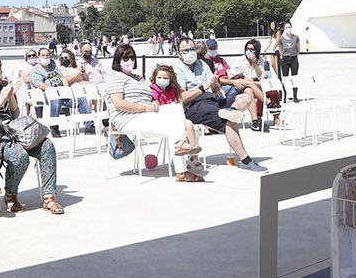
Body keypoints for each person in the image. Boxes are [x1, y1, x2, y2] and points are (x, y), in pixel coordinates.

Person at [0, 47, 62, 213]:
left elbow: (15, 113)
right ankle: (11, 194)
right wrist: (0, 98)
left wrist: (10, 95)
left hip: (13, 130)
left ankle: (49, 197)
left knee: (47, 146)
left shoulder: (2, 84)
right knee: (19, 156)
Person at [105, 44, 205, 181]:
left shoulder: (138, 78)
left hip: (147, 114)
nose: (129, 61)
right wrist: (145, 108)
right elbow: (119, 103)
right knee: (174, 127)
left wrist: (154, 103)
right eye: (125, 58)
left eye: (132, 57)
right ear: (118, 60)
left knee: (175, 108)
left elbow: (148, 97)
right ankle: (181, 169)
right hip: (128, 118)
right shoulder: (115, 77)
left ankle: (180, 150)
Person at [172, 37, 267, 172]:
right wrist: (202, 88)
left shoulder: (202, 64)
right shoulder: (177, 69)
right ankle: (245, 160)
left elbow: (215, 89)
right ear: (178, 53)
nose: (190, 53)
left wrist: (216, 84)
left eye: (192, 49)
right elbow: (182, 98)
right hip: (194, 106)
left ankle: (231, 109)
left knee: (246, 95)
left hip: (212, 99)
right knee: (229, 121)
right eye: (186, 50)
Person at [277, 22, 302, 101]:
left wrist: (295, 54)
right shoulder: (281, 38)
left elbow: (298, 48)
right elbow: (280, 49)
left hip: (294, 59)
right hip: (285, 59)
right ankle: (282, 94)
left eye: (289, 27)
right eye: (286, 27)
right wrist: (283, 55)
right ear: (284, 29)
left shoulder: (296, 37)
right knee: (284, 78)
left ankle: (295, 96)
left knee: (295, 77)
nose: (288, 29)